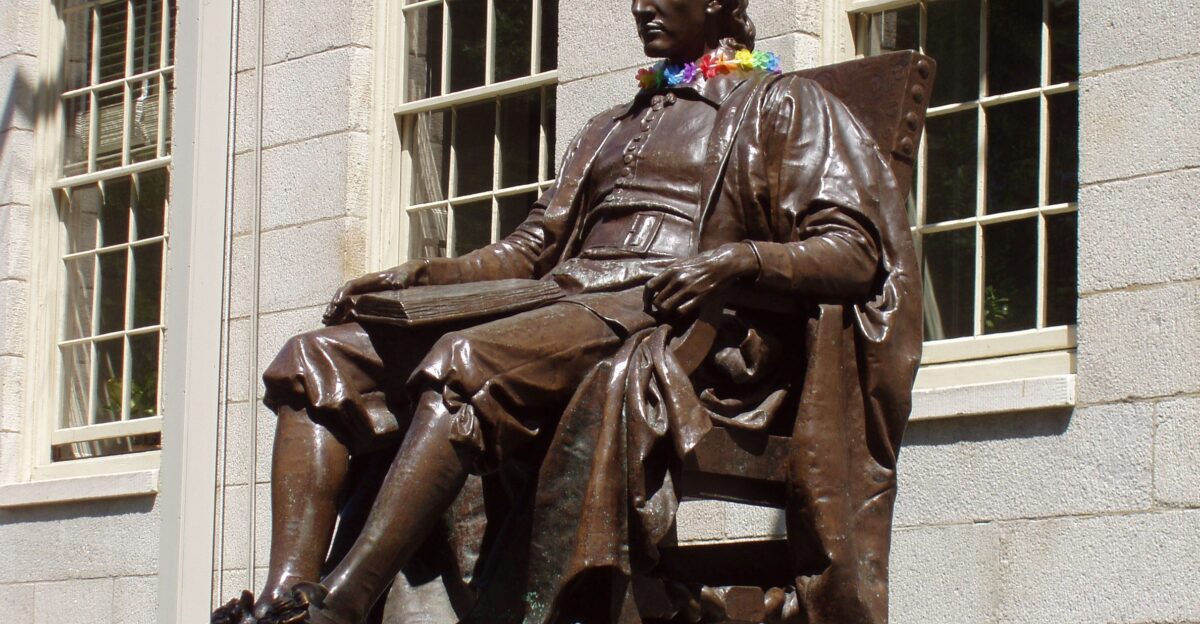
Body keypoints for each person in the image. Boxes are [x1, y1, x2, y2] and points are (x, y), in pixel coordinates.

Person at [213, 0, 921, 622]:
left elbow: (855, 252)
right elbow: (530, 249)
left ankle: (343, 603)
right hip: (556, 299)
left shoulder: (783, 105)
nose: (640, 6)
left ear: (717, 1)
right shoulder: (610, 125)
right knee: (315, 356)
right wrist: (427, 273)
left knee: (463, 363)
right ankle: (287, 598)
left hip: (662, 320)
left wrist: (739, 260)